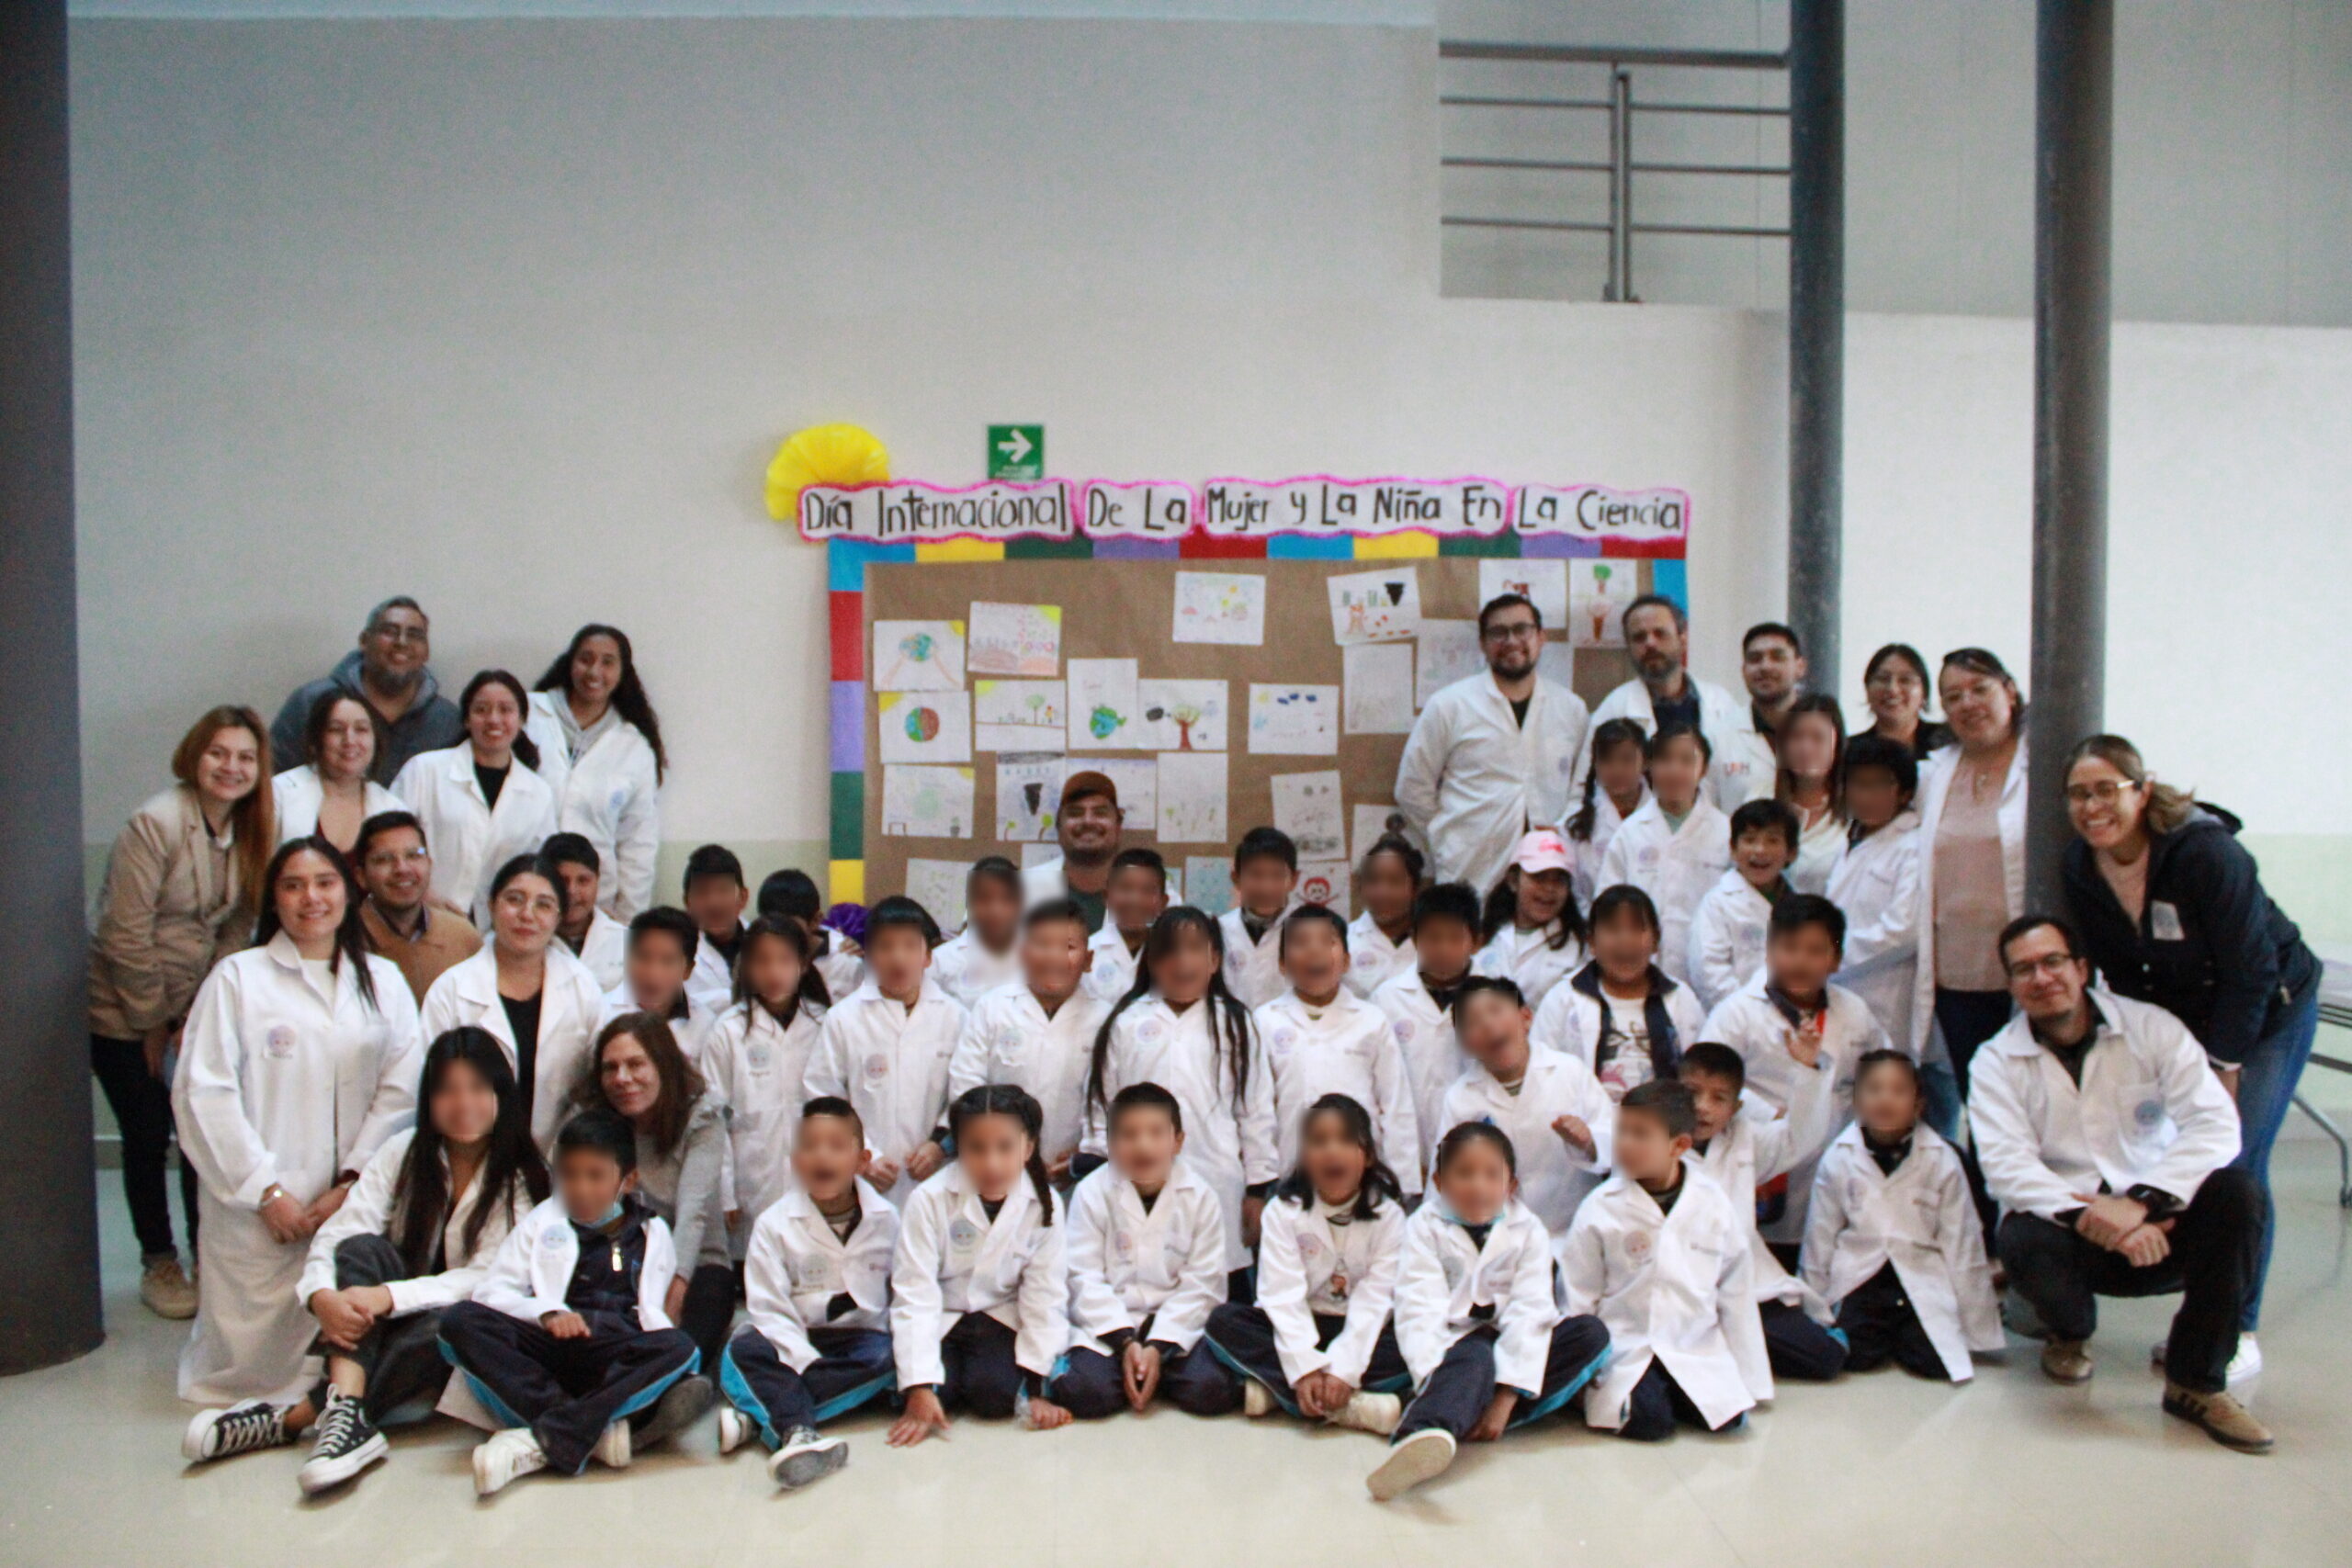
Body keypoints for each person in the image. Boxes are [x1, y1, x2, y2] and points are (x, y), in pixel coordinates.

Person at [2060, 734, 2318, 1361]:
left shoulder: (2205, 854)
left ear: (2142, 790)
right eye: (2078, 794)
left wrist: (2223, 1064)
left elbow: (2251, 971)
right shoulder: (2081, 867)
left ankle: (2237, 1333)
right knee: (2174, 1152)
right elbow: (2119, 974)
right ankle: (2207, 1309)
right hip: (2182, 1021)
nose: (2092, 807)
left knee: (2235, 1161)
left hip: (2267, 1011)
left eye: (2106, 790)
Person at [1969, 916, 2269, 1452]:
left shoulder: (2151, 1029)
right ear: (2011, 985)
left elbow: (2216, 1124)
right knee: (2020, 1236)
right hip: (2073, 1232)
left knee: (2239, 1195)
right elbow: (2006, 1166)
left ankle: (2196, 1382)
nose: (2041, 978)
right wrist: (2096, 1217)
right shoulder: (1995, 1061)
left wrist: (2143, 1203)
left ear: (2081, 968)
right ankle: (2069, 1332)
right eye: (2024, 969)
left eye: (2053, 961)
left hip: (2163, 1223)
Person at [173, 837, 421, 1422]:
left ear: (349, 892)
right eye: (293, 885)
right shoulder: (238, 978)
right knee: (247, 1361)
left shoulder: (383, 980)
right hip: (257, 1205)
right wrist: (265, 1190)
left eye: (325, 883)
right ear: (274, 900)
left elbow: (402, 1087)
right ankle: (261, 1413)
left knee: (340, 1321)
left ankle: (326, 1404)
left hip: (347, 1198)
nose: (312, 898)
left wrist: (353, 1181)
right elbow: (204, 1092)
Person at [272, 1029, 549, 1494]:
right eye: (448, 1090)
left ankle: (297, 1417)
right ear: (429, 1099)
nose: (463, 1103)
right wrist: (320, 1295)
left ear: (502, 1094)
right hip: (384, 1321)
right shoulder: (402, 1151)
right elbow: (341, 1230)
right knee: (361, 1249)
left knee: (453, 1321)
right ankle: (347, 1414)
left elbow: (487, 1278)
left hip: (455, 1331)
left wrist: (387, 1296)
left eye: (478, 1088)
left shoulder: (522, 1175)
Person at [88, 705, 275, 1319]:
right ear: (195, 755)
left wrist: (198, 1010)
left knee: (202, 1134)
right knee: (147, 1135)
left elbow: (239, 923)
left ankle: (207, 1254)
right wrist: (153, 1022)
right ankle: (159, 1260)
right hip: (124, 1009)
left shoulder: (250, 827)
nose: (231, 767)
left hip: (189, 1007)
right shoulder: (156, 822)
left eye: (245, 757)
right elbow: (123, 933)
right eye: (219, 753)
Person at [436, 1109, 702, 1495]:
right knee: (459, 1321)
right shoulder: (543, 1220)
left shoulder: (652, 1231)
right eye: (568, 1175)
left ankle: (545, 1436)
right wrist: (546, 1312)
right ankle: (588, 1429)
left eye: (595, 1176)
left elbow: (652, 1311)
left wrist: (672, 1361)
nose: (580, 1188)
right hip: (552, 1348)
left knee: (681, 1348)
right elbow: (492, 1292)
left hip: (612, 1353)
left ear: (627, 1180)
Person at [1369, 1122, 1612, 1499]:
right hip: (1450, 1347)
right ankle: (1420, 1430)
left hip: (1506, 1352)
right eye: (1464, 1173)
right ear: (1439, 1182)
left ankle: (1458, 1415)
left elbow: (1531, 1312)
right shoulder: (1423, 1227)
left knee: (1590, 1335)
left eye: (1491, 1175)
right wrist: (1437, 1376)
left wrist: (1506, 1397)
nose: (1478, 1186)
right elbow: (1419, 1309)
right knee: (1474, 1355)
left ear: (1510, 1185)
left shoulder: (1529, 1230)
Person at [1562, 1080, 1771, 1440]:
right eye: (1621, 1131)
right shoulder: (1599, 1207)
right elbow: (1578, 1295)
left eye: (1640, 1134)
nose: (1625, 1144)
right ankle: (1634, 1393)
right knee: (1650, 1422)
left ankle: (1671, 1386)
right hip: (1625, 1344)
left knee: (1729, 1419)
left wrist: (1751, 1379)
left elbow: (1736, 1293)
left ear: (1679, 1146)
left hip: (1693, 1343)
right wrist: (1580, 1376)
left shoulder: (1712, 1202)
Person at [1082, 908, 1276, 1280]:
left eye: (1194, 948)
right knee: (1142, 1278)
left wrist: (1258, 1188)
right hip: (1135, 1179)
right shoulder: (1127, 1022)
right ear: (1152, 962)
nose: (1183, 961)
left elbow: (1256, 1110)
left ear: (1214, 960)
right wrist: (1096, 1162)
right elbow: (1101, 1104)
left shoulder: (1235, 1022)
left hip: (1218, 1179)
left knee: (1216, 1282)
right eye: (1170, 950)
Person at [1202, 1094, 1413, 1433]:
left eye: (1346, 1140)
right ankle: (1348, 1406)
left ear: (1369, 1156)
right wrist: (1304, 1367)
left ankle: (1280, 1392)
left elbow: (1375, 1300)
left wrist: (1344, 1370)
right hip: (1301, 1323)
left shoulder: (1389, 1217)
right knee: (1223, 1322)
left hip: (1359, 1328)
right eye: (1319, 1141)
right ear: (1303, 1157)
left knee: (1418, 1339)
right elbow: (1281, 1295)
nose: (1332, 1151)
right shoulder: (1282, 1212)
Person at [717, 1098, 899, 1487]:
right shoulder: (773, 1224)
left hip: (860, 1342)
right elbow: (769, 1310)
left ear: (862, 1160)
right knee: (742, 1349)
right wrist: (803, 1359)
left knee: (891, 1356)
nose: (822, 1156)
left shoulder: (888, 1219)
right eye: (810, 1146)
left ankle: (769, 1421)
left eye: (836, 1146)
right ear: (796, 1160)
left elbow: (901, 1296)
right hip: (792, 1337)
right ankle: (796, 1429)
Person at [1699, 896, 1890, 1248]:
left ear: (1835, 959)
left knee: (1825, 1241)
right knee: (1763, 1247)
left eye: (1815, 951)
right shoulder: (1736, 1013)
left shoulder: (1854, 1011)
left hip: (1834, 1151)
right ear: (1769, 952)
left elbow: (1883, 1070)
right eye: (1789, 948)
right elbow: (1706, 1081)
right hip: (1765, 1145)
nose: (1800, 961)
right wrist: (1771, 1114)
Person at [887, 1085, 1074, 1444]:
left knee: (995, 1397)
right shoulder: (927, 1199)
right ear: (958, 1148)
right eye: (976, 1148)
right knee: (935, 1393)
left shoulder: (1046, 1203)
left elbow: (1045, 1296)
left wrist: (1037, 1388)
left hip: (999, 1314)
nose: (991, 1163)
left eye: (1005, 1147)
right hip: (943, 1313)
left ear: (1028, 1148)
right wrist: (919, 1386)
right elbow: (915, 1293)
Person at [1801, 1050, 1999, 1382]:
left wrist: (1976, 1324)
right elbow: (1819, 1237)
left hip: (1921, 1271)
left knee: (1934, 1362)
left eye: (1898, 1091)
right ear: (1857, 1101)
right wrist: (1814, 1309)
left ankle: (1907, 1330)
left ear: (1919, 1104)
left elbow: (1962, 1241)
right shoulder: (1838, 1157)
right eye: (1874, 1089)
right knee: (1854, 1356)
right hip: (1861, 1276)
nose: (1885, 1099)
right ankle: (1884, 1333)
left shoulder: (1942, 1159)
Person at [571, 1014, 731, 1416]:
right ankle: (627, 1412)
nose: (623, 1078)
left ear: (663, 1064)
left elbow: (694, 1214)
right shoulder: (594, 1121)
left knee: (691, 1330)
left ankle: (649, 1403)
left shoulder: (703, 1116)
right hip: (621, 1258)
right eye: (611, 1068)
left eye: (636, 1064)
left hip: (693, 1265)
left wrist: (670, 1298)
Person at [1396, 592, 1589, 897]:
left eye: (1522, 629)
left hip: (1548, 873)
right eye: (1499, 632)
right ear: (1483, 644)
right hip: (1472, 868)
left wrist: (1563, 828)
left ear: (1541, 637)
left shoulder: (1571, 709)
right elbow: (1411, 787)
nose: (1511, 641)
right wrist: (1447, 836)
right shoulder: (1449, 705)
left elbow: (1584, 787)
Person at [1907, 647, 2028, 1141]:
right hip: (1955, 979)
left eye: (1980, 689)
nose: (1968, 704)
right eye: (1953, 696)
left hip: (2025, 975)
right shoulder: (1933, 773)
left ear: (2010, 692)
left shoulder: (2038, 766)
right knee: (1978, 1110)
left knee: (2024, 1115)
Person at [1058, 1085, 1234, 1419]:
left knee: (1211, 1391)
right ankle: (1139, 1370)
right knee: (1086, 1393)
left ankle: (1152, 1367)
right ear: (1110, 1144)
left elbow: (1204, 1284)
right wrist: (1125, 1342)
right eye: (1128, 1135)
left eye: (1156, 1133)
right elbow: (1082, 1277)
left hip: (1175, 1322)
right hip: (1112, 1322)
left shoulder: (1200, 1196)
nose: (1143, 1145)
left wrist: (1158, 1345)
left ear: (1177, 1141)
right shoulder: (1091, 1192)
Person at [1678, 1043, 1846, 1382]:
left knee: (1825, 1358)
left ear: (1736, 1107)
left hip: (1744, 1282)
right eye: (1692, 1093)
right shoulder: (1651, 1138)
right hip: (1679, 1286)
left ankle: (1729, 1344)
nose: (1702, 1107)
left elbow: (1800, 1137)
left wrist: (1806, 1071)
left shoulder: (1746, 1139)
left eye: (1718, 1098)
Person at [419, 852, 607, 1149]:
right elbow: (427, 1085)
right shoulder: (451, 990)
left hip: (559, 1156)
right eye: (514, 899)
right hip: (469, 1153)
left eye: (543, 905)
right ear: (491, 906)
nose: (527, 915)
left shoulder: (582, 986)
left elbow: (599, 1081)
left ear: (558, 917)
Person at [802, 896, 968, 1205]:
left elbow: (966, 1092)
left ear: (927, 956)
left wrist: (940, 1145)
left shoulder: (955, 1017)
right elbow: (822, 1094)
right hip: (860, 1179)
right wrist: (863, 1155)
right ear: (867, 955)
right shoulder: (844, 1018)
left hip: (937, 1176)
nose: (898, 957)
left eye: (909, 945)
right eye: (885, 946)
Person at [1253, 907, 1420, 1196]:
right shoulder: (1265, 1020)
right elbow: (1258, 1109)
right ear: (1282, 964)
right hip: (1290, 1173)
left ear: (1346, 961)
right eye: (1301, 942)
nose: (1314, 950)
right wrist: (1260, 1182)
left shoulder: (1371, 1020)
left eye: (1327, 941)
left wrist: (1404, 1184)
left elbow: (1396, 1106)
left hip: (1362, 1177)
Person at [1438, 976, 1612, 1240]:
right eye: (1472, 1022)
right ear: (1466, 1045)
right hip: (1499, 1239)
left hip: (1573, 1232)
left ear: (1526, 1018)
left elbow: (1615, 1141)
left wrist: (1589, 1142)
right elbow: (1447, 1180)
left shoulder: (1570, 1072)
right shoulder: (1460, 1098)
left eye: (1496, 1010)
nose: (1487, 1024)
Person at [948, 898, 1108, 1182]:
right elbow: (966, 1084)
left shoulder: (1104, 1019)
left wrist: (1087, 1154)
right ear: (1022, 954)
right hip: (994, 1163)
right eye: (1042, 944)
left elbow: (1109, 1097)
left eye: (1068, 947)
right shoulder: (993, 1008)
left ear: (1088, 960)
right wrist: (997, 1149)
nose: (1054, 957)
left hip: (1071, 1170)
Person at [702, 916, 832, 1252]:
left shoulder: (825, 1023)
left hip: (817, 1170)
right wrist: (725, 1192)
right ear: (746, 968)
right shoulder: (728, 1030)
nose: (774, 972)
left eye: (784, 960)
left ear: (803, 965)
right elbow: (713, 1118)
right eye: (762, 961)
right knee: (759, 1258)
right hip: (752, 1178)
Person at [389, 670, 559, 924]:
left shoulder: (539, 793)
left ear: (522, 720)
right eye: (481, 710)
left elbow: (539, 869)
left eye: (505, 710)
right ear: (467, 720)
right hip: (418, 915)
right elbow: (388, 840)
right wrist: (420, 893)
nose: (494, 719)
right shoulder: (424, 770)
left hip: (497, 928)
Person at [526, 624, 666, 920]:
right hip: (525, 890)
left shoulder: (634, 747)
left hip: (593, 903)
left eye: (607, 662)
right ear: (570, 663)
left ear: (622, 672)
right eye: (585, 659)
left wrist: (627, 919)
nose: (594, 671)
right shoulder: (528, 715)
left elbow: (637, 842)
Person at [1574, 595, 1758, 809]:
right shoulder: (1614, 709)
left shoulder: (1722, 704)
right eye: (1639, 637)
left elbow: (1746, 779)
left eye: (1660, 633)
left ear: (1683, 638)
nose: (1650, 643)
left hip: (1714, 824)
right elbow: (1582, 793)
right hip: (1641, 828)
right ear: (1629, 647)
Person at [1531, 885, 1705, 1103]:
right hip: (1584, 1120)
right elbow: (1540, 1072)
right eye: (1613, 929)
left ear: (1656, 941)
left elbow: (1700, 1074)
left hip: (1664, 1121)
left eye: (1636, 928)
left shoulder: (1680, 998)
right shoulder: (1563, 998)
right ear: (1592, 942)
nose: (1625, 939)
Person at [270, 596, 461, 787]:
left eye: (414, 635)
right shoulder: (311, 702)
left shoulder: (447, 721)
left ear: (426, 651)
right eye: (390, 631)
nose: (402, 642)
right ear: (364, 640)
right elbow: (273, 779)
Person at [1595, 723, 1730, 976]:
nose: (1674, 770)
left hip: (1708, 971)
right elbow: (1605, 907)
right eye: (1665, 760)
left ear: (1704, 769)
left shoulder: (1725, 832)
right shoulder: (1629, 833)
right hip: (1639, 970)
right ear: (1649, 766)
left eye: (1687, 760)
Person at [1369, 882, 1482, 1179]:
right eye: (1433, 938)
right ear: (1415, 938)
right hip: (1405, 1151)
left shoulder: (1495, 997)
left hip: (1476, 1149)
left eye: (1455, 938)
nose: (1443, 949)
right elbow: (1379, 1086)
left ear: (1476, 942)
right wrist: (1403, 1160)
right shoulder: (1387, 999)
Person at [1824, 736, 1922, 1052]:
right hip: (1835, 984)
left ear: (1904, 792)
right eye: (1857, 783)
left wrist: (1831, 955)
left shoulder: (1913, 846)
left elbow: (1903, 932)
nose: (1865, 795)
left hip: (1884, 992)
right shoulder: (1848, 837)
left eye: (1878, 784)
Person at [1685, 797, 1800, 1012]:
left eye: (1772, 841)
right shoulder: (1717, 903)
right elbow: (1709, 973)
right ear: (1733, 848)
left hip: (1794, 1016)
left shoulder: (1801, 904)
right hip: (1735, 1018)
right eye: (1750, 840)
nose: (1760, 850)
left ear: (1791, 852)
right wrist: (1751, 1015)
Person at [1472, 828, 1588, 1012]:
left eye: (1559, 880)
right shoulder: (1485, 937)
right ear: (1513, 881)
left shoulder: (1579, 947)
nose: (1549, 889)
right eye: (1539, 877)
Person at [272, 692, 401, 852]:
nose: (350, 740)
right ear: (316, 739)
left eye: (361, 729)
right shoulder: (279, 793)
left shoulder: (392, 807)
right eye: (336, 729)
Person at [601, 907, 715, 1065]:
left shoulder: (705, 1023)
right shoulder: (602, 1014)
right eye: (643, 957)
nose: (653, 973)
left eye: (668, 961)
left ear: (687, 970)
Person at [1561, 716, 1649, 910]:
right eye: (1607, 760)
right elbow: (1574, 894)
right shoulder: (1574, 825)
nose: (1617, 770)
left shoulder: (1661, 815)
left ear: (1645, 762)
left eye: (1627, 759)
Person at [1021, 771, 1124, 933]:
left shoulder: (1153, 896)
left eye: (1100, 813)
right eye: (1075, 813)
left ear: (1118, 826)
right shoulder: (1020, 891)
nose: (1088, 821)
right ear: (1059, 827)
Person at [1220, 826, 1300, 1010]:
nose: (1266, 887)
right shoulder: (1219, 930)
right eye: (1255, 874)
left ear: (1294, 880)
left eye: (1277, 875)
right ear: (1236, 878)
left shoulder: (1309, 929)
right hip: (1233, 1026)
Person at [1775, 692, 1847, 895]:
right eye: (1796, 737)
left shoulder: (1854, 813)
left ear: (1837, 745)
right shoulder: (1759, 796)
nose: (1805, 748)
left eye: (1818, 738)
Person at [930, 856, 1023, 1007]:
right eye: (984, 899)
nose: (995, 910)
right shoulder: (941, 960)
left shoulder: (1037, 956)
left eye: (1006, 899)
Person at [759, 867, 865, 998]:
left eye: (790, 924)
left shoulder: (847, 962)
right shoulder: (756, 958)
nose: (779, 932)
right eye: (772, 923)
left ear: (815, 921)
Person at [1082, 847, 1170, 1005]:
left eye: (1147, 890)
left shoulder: (1172, 954)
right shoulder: (1087, 952)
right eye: (1125, 888)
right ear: (1106, 897)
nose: (1135, 900)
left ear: (1163, 902)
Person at [544, 832, 627, 990]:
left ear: (597, 881)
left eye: (583, 881)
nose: (571, 891)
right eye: (562, 881)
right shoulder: (529, 940)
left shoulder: (626, 943)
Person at [1345, 834, 1421, 998]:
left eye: (1395, 881)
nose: (1383, 892)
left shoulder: (1432, 942)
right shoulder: (1343, 941)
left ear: (1414, 888)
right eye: (1373, 881)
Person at [680, 843, 751, 1014]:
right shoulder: (676, 951)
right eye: (702, 892)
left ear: (743, 897)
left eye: (723, 890)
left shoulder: (766, 941)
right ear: (687, 903)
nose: (714, 902)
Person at [1860, 642, 1950, 761]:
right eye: (1883, 679)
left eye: (1905, 680)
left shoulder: (1948, 742)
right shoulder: (1850, 751)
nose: (1893, 689)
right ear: (1867, 689)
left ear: (1924, 693)